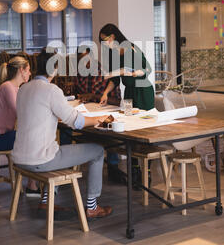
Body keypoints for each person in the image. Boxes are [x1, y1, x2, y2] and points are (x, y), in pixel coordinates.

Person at [12, 49, 113, 220]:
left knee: (61, 149)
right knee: (97, 151)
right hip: (41, 160)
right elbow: (77, 122)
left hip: (20, 158)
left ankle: (45, 201)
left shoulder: (23, 89)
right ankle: (92, 207)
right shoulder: (51, 90)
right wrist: (99, 118)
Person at [99, 23, 155, 189]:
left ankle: (147, 172)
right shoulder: (114, 54)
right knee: (130, 131)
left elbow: (146, 70)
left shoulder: (131, 49)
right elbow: (115, 79)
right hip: (129, 92)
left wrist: (127, 71)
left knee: (144, 131)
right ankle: (135, 170)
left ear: (114, 36)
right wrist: (106, 93)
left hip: (143, 91)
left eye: (105, 40)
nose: (104, 43)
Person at [59, 46, 123, 185]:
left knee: (108, 130)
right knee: (65, 127)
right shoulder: (79, 73)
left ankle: (113, 167)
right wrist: (70, 90)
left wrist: (94, 96)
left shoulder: (105, 72)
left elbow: (118, 102)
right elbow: (76, 95)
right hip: (86, 113)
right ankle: (64, 167)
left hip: (103, 113)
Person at [0, 55, 39, 196]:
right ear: (21, 70)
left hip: (2, 135)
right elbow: (20, 111)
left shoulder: (15, 88)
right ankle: (32, 185)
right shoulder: (7, 88)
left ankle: (31, 183)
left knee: (30, 138)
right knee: (30, 139)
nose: (30, 73)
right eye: (28, 70)